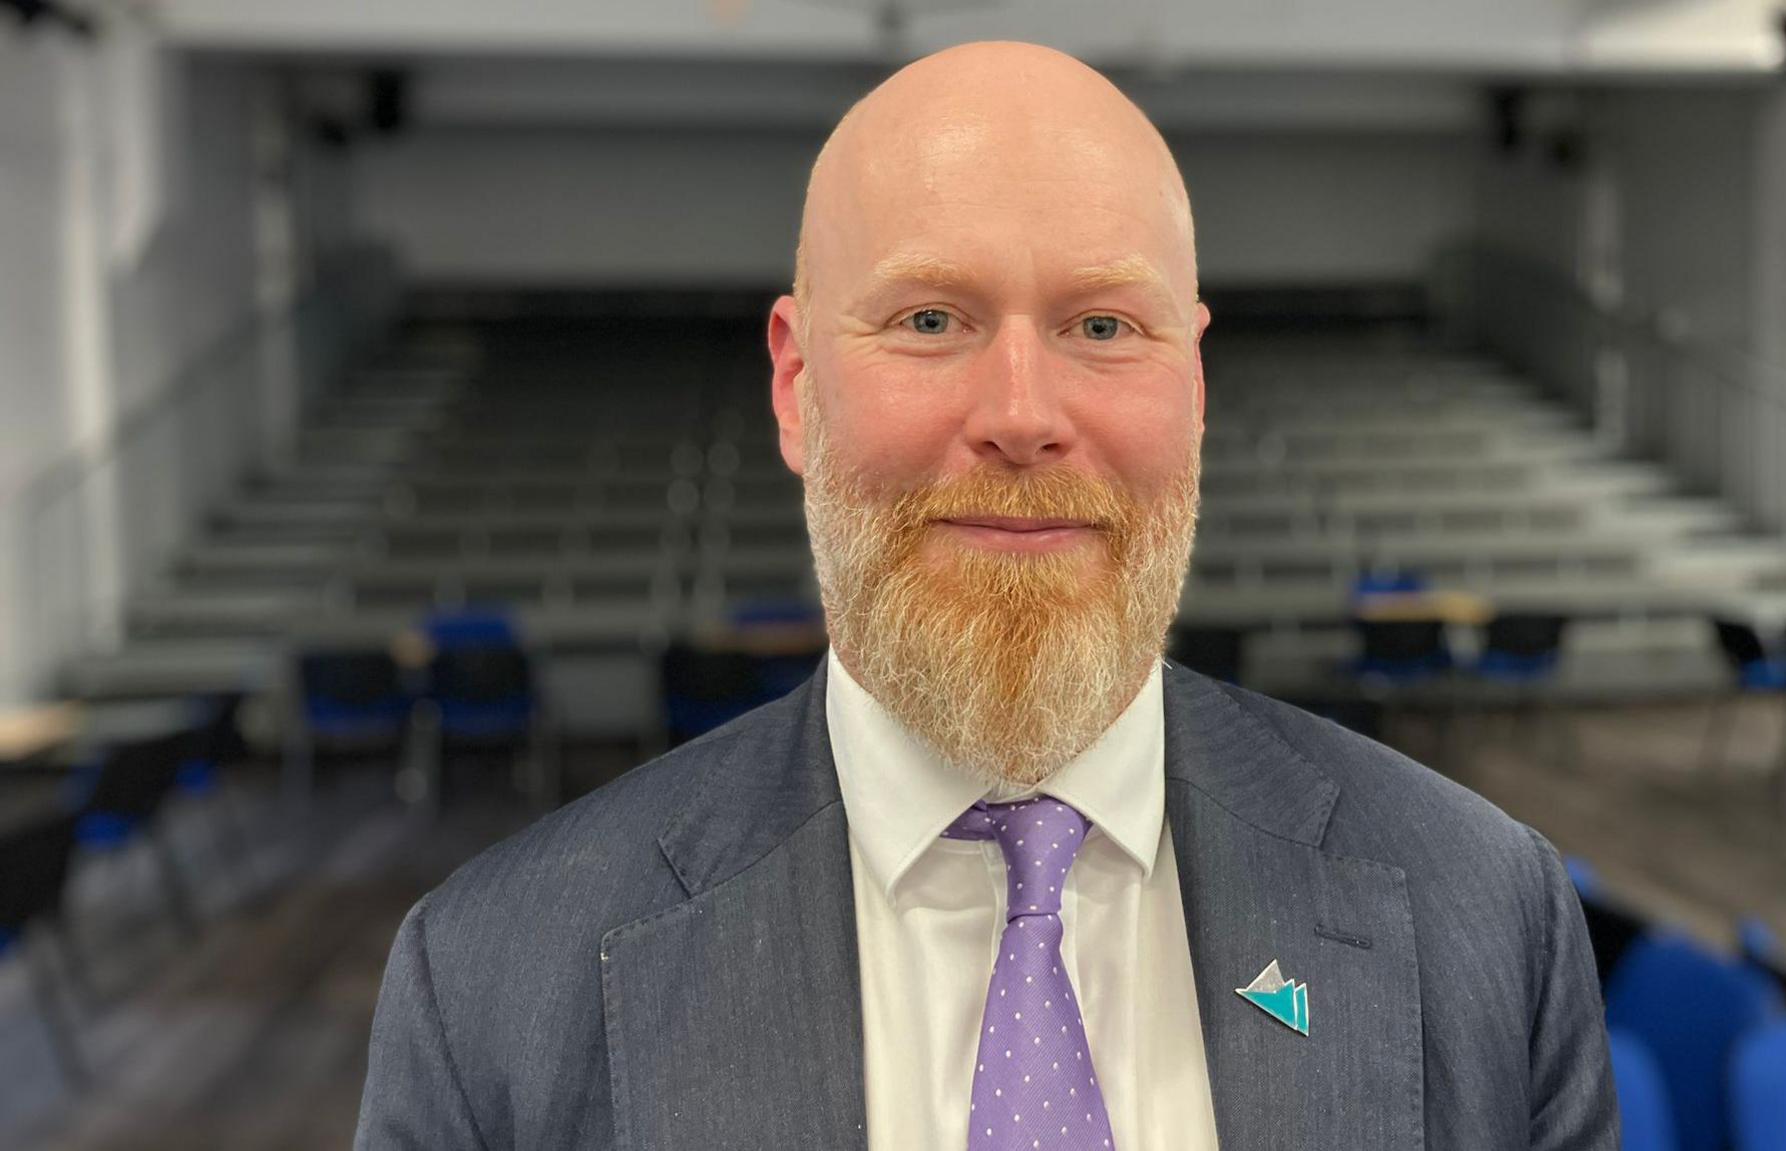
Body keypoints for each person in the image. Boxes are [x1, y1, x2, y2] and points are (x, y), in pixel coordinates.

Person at [355, 40, 1618, 1151]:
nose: (1021, 416)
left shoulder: (1487, 911)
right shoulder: (489, 989)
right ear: (797, 387)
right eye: (929, 317)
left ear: (1193, 384)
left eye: (1104, 328)